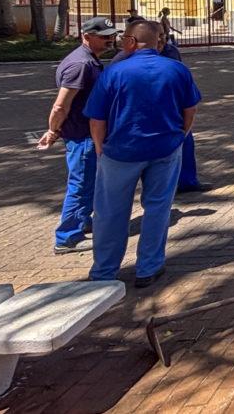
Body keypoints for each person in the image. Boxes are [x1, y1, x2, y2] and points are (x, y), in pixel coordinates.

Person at [84, 20, 202, 288]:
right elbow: (190, 110)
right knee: (158, 208)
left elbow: (97, 119)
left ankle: (104, 271)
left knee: (110, 212)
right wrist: (180, 137)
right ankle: (149, 266)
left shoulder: (114, 72)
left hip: (121, 152)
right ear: (158, 41)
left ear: (131, 42)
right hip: (165, 148)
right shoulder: (177, 70)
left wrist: (100, 148)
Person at [40, 16, 119, 254]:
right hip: (82, 136)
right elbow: (60, 105)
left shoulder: (89, 60)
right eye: (104, 37)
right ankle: (67, 237)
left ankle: (82, 221)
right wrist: (53, 130)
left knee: (88, 183)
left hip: (86, 134)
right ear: (86, 36)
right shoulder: (81, 65)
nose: (110, 40)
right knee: (81, 185)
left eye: (111, 36)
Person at [112, 17, 209, 194]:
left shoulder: (171, 51)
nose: (162, 39)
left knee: (185, 145)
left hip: (173, 113)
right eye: (159, 36)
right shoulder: (123, 59)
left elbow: (182, 82)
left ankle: (187, 182)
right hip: (141, 117)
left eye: (164, 35)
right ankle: (156, 189)